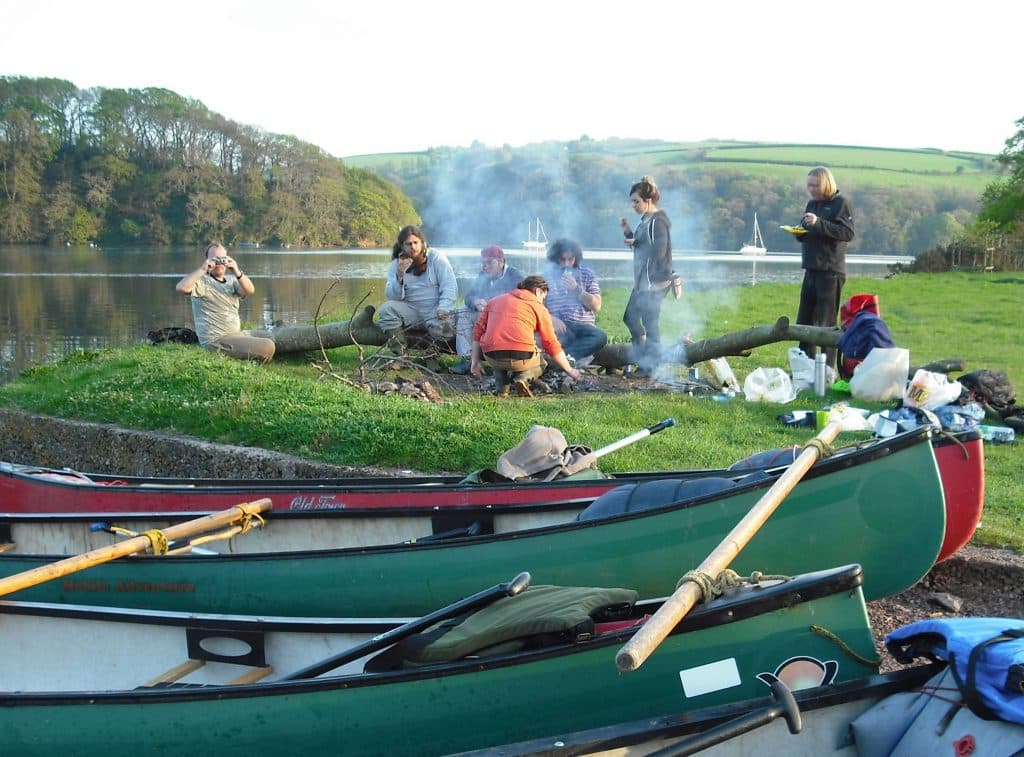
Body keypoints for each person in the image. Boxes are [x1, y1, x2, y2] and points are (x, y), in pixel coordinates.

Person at [470, 275, 582, 397]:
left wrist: (475, 361)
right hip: (521, 358)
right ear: (539, 291)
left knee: (498, 351)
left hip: (492, 357)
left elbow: (477, 331)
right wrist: (570, 370)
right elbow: (550, 342)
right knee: (542, 362)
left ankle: (502, 390)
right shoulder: (539, 307)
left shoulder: (494, 301)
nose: (543, 301)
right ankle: (523, 378)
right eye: (543, 297)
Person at [795, 166, 855, 371]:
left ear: (826, 184)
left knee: (825, 324)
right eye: (809, 185)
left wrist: (819, 223)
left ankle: (827, 371)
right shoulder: (812, 204)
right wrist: (800, 231)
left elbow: (846, 233)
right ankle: (805, 369)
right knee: (804, 322)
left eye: (815, 185)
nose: (811, 189)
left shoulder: (840, 204)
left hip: (831, 272)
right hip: (811, 269)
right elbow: (809, 231)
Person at [175, 242, 275, 363]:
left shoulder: (232, 281)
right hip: (215, 340)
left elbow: (249, 290)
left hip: (235, 335)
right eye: (215, 259)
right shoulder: (202, 282)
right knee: (267, 345)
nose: (219, 263)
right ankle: (256, 360)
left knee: (269, 336)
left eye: (222, 258)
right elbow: (181, 287)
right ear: (207, 260)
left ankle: (253, 354)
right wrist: (203, 269)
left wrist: (236, 270)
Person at [377, 225, 457, 355]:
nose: (413, 247)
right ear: (402, 246)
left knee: (447, 328)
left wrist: (444, 307)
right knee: (386, 310)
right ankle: (401, 354)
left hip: (435, 310)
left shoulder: (436, 257)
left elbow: (449, 285)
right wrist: (400, 275)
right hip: (411, 310)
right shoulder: (396, 265)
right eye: (408, 244)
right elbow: (393, 297)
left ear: (422, 243)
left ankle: (431, 356)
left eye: (416, 243)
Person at [622, 175, 673, 374]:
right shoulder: (645, 220)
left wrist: (636, 243)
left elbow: (658, 252)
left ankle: (651, 365)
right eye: (632, 201)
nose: (633, 205)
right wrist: (628, 233)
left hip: (655, 282)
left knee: (650, 323)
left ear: (648, 200)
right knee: (630, 318)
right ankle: (644, 358)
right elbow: (639, 246)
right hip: (643, 281)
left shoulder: (658, 222)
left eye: (636, 201)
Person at [451, 245, 526, 374]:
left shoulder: (516, 277)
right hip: (486, 317)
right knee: (464, 311)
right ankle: (466, 359)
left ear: (501, 262)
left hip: (509, 321)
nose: (485, 266)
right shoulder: (482, 276)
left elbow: (523, 303)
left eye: (489, 262)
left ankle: (503, 360)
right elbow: (469, 296)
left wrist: (493, 306)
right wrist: (475, 302)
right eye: (483, 263)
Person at [542, 238, 606, 368]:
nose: (566, 264)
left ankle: (562, 358)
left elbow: (596, 305)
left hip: (583, 327)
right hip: (559, 327)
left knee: (600, 336)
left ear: (576, 258)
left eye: (570, 259)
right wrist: (550, 318)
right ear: (556, 258)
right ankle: (570, 359)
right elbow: (536, 304)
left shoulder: (587, 274)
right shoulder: (546, 276)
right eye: (562, 259)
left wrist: (577, 289)